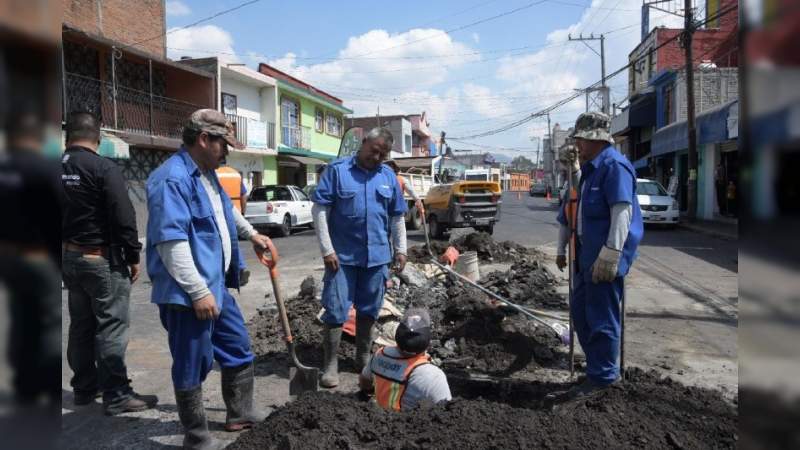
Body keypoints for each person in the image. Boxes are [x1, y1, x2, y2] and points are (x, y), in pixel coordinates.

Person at [146, 109, 271, 449]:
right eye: (223, 144)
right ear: (204, 139)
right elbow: (171, 243)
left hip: (216, 286)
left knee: (237, 347)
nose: (227, 151)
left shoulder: (207, 173)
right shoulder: (171, 179)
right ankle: (197, 436)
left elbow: (224, 210)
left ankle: (239, 411)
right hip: (187, 294)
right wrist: (199, 292)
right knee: (192, 362)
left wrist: (253, 234)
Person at [61, 111, 158, 415]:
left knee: (81, 325)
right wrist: (132, 255)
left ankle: (84, 389)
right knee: (111, 325)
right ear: (99, 138)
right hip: (100, 260)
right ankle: (116, 394)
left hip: (69, 258)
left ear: (67, 137)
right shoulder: (103, 167)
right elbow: (123, 215)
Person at [553, 111, 644, 400]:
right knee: (582, 316)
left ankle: (604, 379)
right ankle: (595, 370)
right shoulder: (593, 167)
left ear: (595, 140)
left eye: (581, 139)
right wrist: (574, 167)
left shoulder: (614, 166)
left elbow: (622, 211)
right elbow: (577, 197)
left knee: (602, 319)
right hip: (586, 259)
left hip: (604, 259)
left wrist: (612, 253)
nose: (577, 144)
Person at [311, 127, 408, 388]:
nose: (376, 157)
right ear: (363, 143)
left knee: (369, 310)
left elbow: (397, 216)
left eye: (382, 154)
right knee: (336, 310)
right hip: (341, 258)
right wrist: (327, 250)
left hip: (377, 258)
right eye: (373, 150)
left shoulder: (388, 176)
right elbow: (320, 210)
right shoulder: (337, 171)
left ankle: (362, 357)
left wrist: (401, 249)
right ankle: (330, 365)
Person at [0, 112, 62, 408]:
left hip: (9, 259)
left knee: (22, 318)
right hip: (39, 258)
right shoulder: (43, 168)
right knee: (48, 322)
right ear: (36, 137)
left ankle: (25, 385)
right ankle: (49, 388)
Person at [359, 308, 451, 411]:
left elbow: (364, 381)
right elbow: (446, 411)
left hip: (377, 416)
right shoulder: (432, 376)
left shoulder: (380, 354)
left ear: (397, 336)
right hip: (406, 423)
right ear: (427, 342)